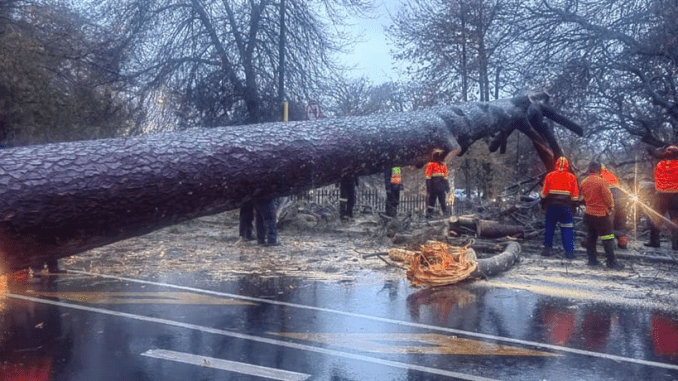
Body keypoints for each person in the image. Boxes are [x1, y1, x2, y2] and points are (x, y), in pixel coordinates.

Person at [580, 161, 623, 269]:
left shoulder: (584, 182)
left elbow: (583, 198)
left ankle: (592, 260)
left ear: (589, 169)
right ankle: (611, 262)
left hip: (589, 214)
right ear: (600, 170)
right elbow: (608, 198)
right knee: (608, 238)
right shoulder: (602, 182)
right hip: (602, 215)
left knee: (591, 237)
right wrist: (611, 208)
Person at [540, 156, 579, 258]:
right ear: (568, 166)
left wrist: (543, 206)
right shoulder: (572, 177)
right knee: (567, 229)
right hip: (566, 207)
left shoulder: (549, 176)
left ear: (556, 165)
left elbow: (543, 194)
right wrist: (574, 208)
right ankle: (569, 252)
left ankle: (547, 250)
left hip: (552, 206)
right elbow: (575, 197)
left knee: (549, 228)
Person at [646, 145, 678, 249]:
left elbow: (656, 179)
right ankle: (676, 244)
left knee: (656, 219)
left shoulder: (660, 165)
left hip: (661, 195)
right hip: (675, 196)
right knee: (675, 219)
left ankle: (654, 241)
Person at [600, 164, 629, 248]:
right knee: (620, 222)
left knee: (608, 223)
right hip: (622, 200)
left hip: (610, 200)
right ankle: (623, 243)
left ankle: (609, 243)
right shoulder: (611, 175)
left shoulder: (599, 176)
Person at [425, 149, 450, 218]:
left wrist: (447, 186)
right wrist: (429, 188)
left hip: (440, 187)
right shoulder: (431, 164)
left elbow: (445, 177)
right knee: (432, 203)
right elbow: (428, 178)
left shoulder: (443, 165)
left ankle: (446, 216)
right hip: (434, 187)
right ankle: (429, 216)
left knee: (443, 203)